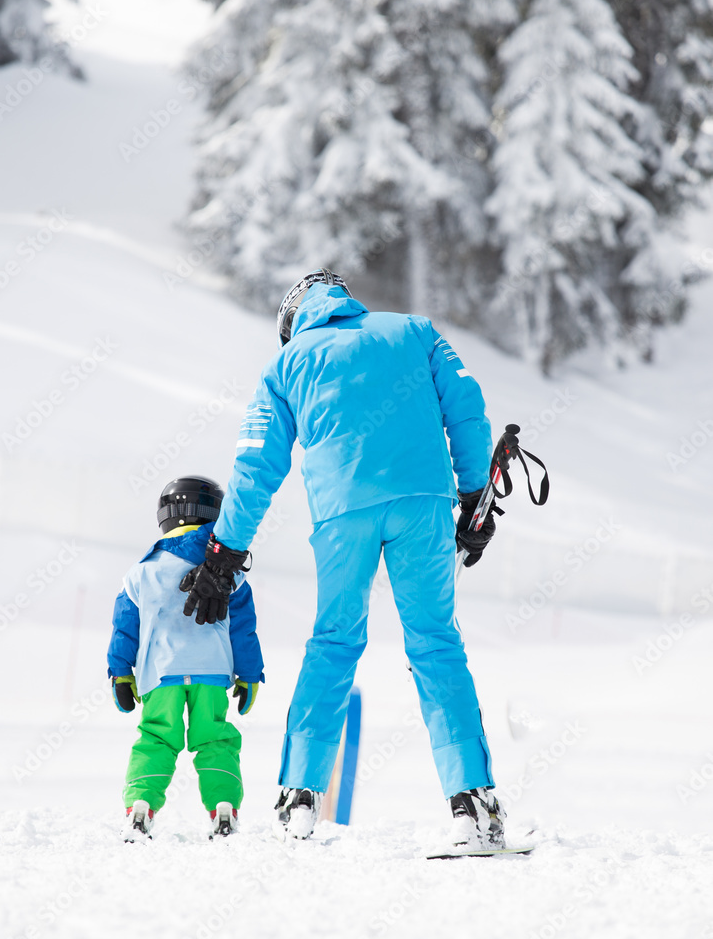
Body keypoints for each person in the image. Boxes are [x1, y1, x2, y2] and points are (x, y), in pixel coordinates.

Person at [180, 270, 503, 849]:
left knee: (333, 641)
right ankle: (471, 805)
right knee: (434, 641)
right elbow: (468, 408)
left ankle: (299, 799)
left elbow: (256, 467)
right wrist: (476, 494)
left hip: (341, 512)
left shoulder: (286, 366)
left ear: (293, 321)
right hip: (423, 501)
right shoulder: (414, 331)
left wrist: (223, 554)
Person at [107, 475, 264, 842]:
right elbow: (243, 628)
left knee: (157, 739)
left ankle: (141, 807)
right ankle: (223, 808)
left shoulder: (141, 572)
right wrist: (250, 674)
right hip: (211, 673)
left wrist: (120, 674)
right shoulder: (230, 572)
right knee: (215, 740)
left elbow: (124, 628)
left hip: (161, 675)